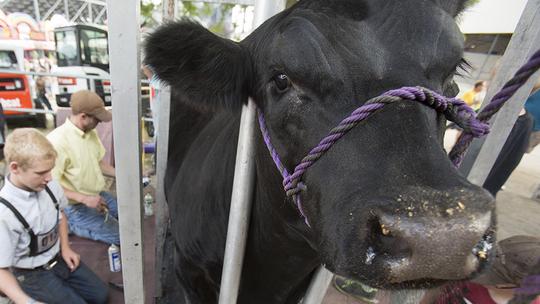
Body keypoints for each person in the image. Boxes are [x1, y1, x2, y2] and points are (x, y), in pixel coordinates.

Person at [0, 128, 108, 304]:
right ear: (15, 168)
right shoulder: (5, 214)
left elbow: (60, 215)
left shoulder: (49, 185)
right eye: (41, 173)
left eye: (50, 170)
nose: (49, 178)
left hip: (58, 258)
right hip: (31, 273)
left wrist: (65, 247)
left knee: (101, 296)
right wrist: (26, 302)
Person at [47, 90, 120, 245]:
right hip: (75, 205)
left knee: (128, 218)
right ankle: (71, 226)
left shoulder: (89, 132)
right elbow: (50, 185)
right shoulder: (57, 142)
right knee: (120, 237)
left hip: (97, 194)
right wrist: (85, 199)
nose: (100, 123)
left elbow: (98, 163)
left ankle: (82, 222)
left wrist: (122, 175)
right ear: (83, 116)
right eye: (97, 119)